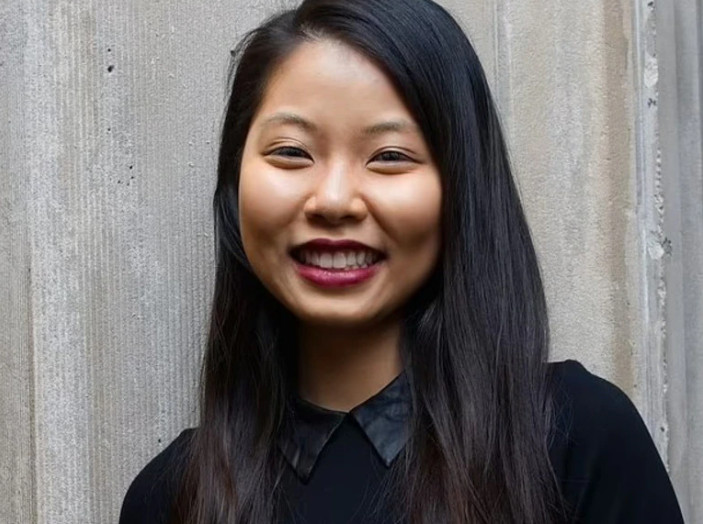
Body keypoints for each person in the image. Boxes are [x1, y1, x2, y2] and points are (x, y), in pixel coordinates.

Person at [118, 0, 686, 522]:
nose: (334, 200)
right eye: (291, 152)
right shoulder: (170, 498)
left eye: (389, 156)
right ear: (235, 183)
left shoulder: (576, 440)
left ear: (461, 188)